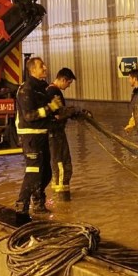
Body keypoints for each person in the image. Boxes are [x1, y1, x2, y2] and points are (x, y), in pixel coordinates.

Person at [14, 57, 61, 225]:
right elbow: (30, 115)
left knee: (46, 173)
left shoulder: (41, 88)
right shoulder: (26, 90)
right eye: (42, 66)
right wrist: (50, 108)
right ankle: (21, 208)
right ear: (32, 70)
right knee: (33, 173)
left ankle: (39, 204)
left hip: (42, 134)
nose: (45, 68)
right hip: (30, 136)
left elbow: (50, 112)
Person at [45, 67, 78, 202]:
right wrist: (72, 112)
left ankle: (59, 195)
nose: (68, 85)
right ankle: (62, 200)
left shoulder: (49, 90)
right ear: (63, 79)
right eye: (68, 83)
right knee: (62, 164)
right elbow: (57, 114)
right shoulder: (54, 92)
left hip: (54, 133)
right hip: (55, 134)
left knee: (59, 163)